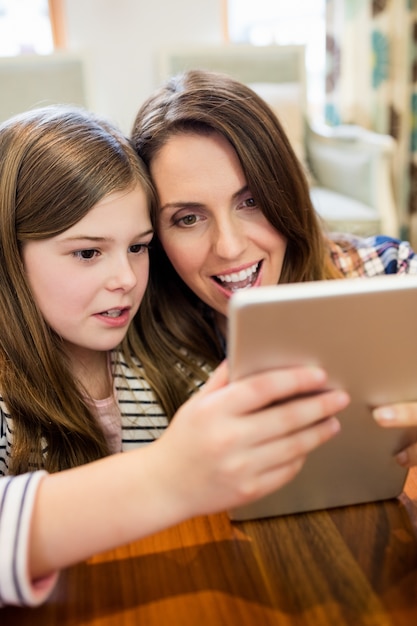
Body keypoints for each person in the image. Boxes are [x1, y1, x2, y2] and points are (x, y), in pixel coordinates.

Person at [0, 105, 348, 608]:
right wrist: (166, 476)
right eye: (87, 253)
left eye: (138, 248)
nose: (125, 278)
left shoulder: (160, 358)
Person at [131, 68, 417, 467]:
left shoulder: (389, 274)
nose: (229, 248)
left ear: (285, 190)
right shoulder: (137, 354)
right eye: (189, 219)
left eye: (250, 202)